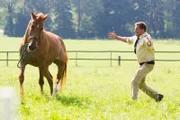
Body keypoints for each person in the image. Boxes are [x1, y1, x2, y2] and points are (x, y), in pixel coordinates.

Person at [108, 21, 163, 102]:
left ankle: (133, 101)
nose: (135, 30)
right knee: (140, 84)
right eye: (135, 29)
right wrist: (116, 37)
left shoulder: (146, 38)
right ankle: (157, 96)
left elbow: (150, 45)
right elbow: (127, 39)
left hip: (148, 64)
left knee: (134, 81)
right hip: (142, 65)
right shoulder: (136, 37)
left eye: (137, 29)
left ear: (142, 30)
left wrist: (149, 43)